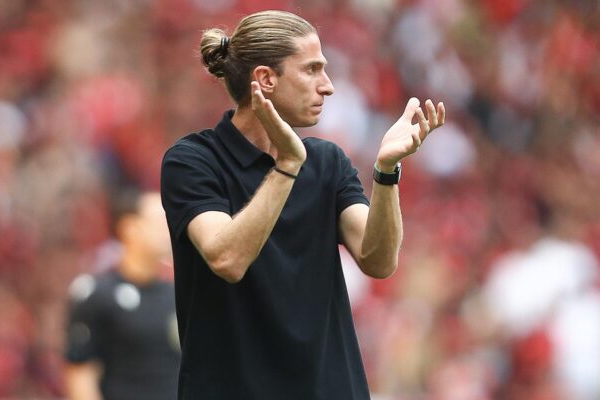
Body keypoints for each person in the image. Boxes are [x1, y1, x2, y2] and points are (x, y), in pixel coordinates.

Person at [160, 10, 445, 400]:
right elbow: (227, 258)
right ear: (265, 80)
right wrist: (287, 167)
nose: (327, 86)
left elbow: (378, 260)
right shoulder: (192, 160)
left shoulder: (328, 162)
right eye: (312, 69)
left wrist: (386, 170)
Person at [64, 189, 181, 400]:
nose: (168, 230)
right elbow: (81, 376)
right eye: (160, 222)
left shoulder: (177, 295)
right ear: (130, 228)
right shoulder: (97, 295)